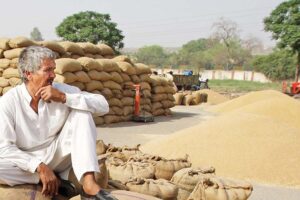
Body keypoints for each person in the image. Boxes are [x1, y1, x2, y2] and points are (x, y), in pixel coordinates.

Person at [0, 46, 116, 200]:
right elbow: (5, 148)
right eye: (47, 70)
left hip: (58, 154)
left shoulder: (60, 90)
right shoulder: (8, 102)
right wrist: (39, 167)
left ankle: (89, 184)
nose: (53, 75)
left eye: (53, 69)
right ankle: (54, 181)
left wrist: (64, 98)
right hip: (28, 163)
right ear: (29, 73)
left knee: (82, 110)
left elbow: (103, 105)